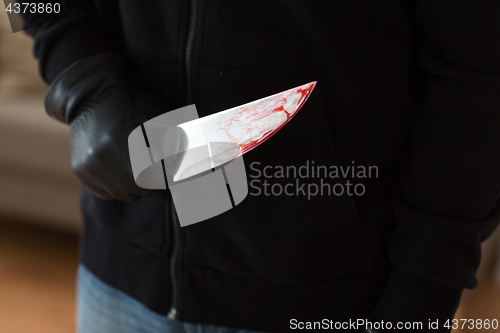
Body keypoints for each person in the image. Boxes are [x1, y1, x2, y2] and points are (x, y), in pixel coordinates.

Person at [22, 1, 500, 332]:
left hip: (330, 300)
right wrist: (81, 81)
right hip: (118, 278)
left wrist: (423, 294)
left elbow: (476, 69)